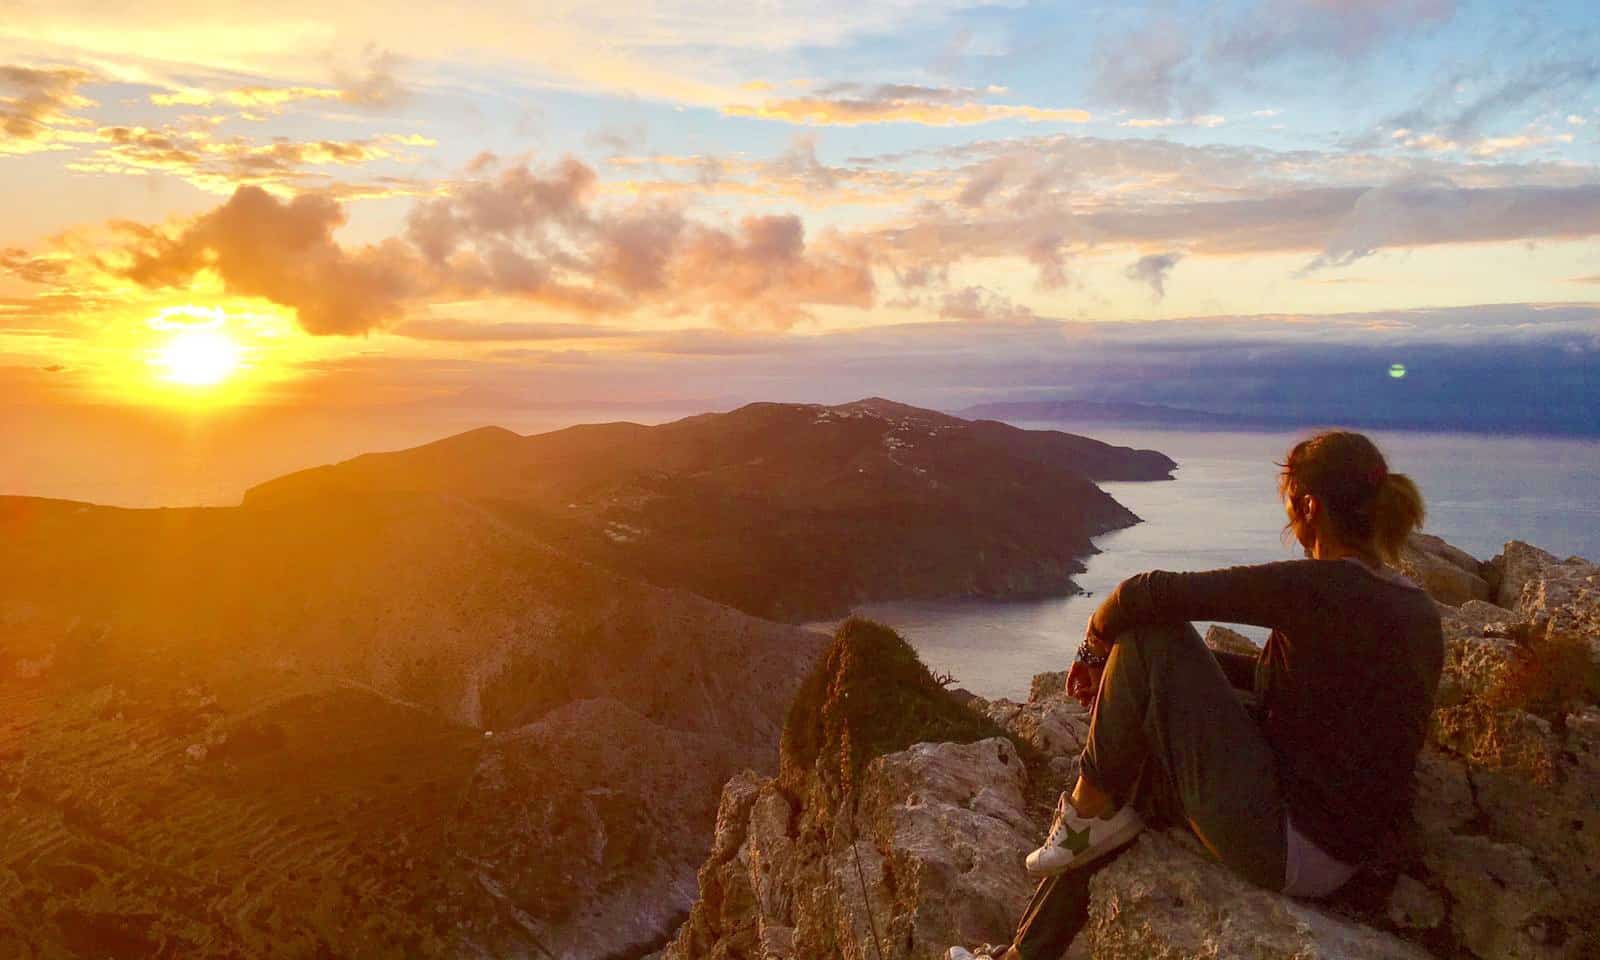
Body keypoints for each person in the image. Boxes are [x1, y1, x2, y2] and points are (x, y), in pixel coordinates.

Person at [949, 430, 1444, 960]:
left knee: (1149, 638)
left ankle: (1085, 811)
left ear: (1308, 505)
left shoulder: (1319, 588)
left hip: (1287, 844)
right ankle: (1027, 953)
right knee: (1143, 757)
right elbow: (1301, 692)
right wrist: (1157, 687)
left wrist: (1096, 649)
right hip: (1338, 848)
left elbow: (1145, 594)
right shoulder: (1412, 607)